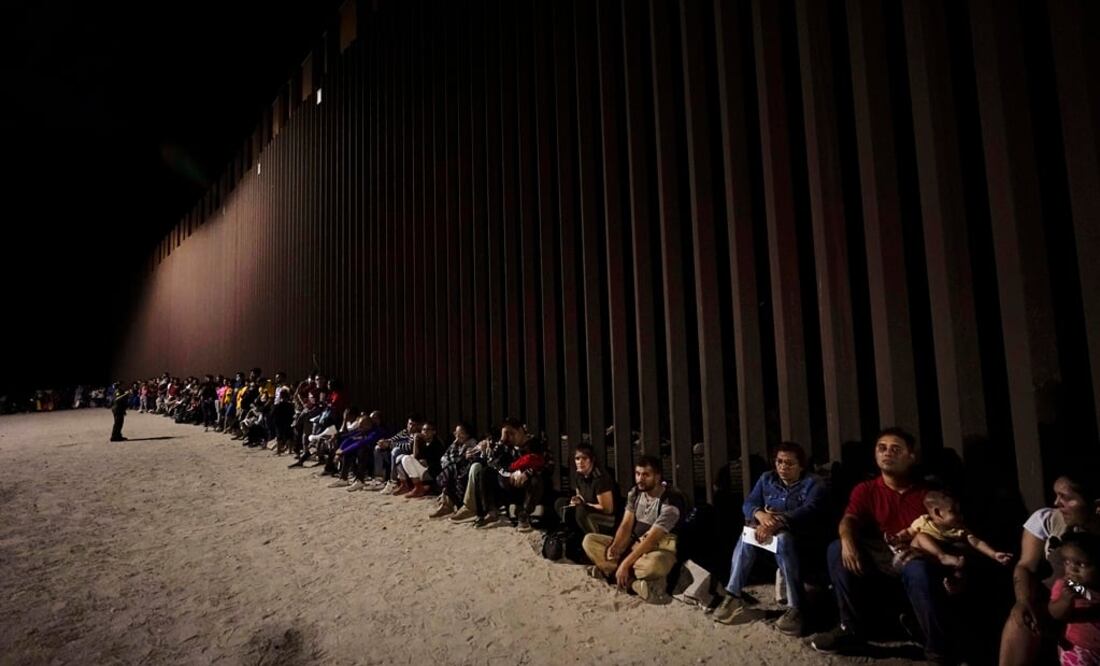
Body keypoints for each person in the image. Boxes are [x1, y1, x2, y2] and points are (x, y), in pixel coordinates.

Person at [811, 428, 951, 662]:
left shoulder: (927, 494)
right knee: (836, 548)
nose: (887, 453)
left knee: (917, 567)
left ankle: (936, 646)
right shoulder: (866, 489)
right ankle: (850, 628)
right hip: (880, 552)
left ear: (911, 456)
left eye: (896, 449)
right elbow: (849, 519)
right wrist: (847, 541)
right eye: (882, 448)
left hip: (914, 553)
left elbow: (952, 531)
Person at [713, 441, 825, 636]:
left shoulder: (813, 483)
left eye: (789, 463)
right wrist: (761, 516)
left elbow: (809, 510)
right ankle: (733, 594)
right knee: (746, 535)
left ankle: (796, 607)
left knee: (784, 539)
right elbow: (749, 503)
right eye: (779, 462)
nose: (783, 467)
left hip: (800, 538)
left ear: (801, 466)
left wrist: (778, 521)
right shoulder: (767, 479)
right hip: (768, 533)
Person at [1001, 472, 1100, 665]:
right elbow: (1025, 566)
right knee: (1021, 619)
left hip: (1089, 608)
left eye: (1067, 498)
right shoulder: (1049, 519)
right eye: (1057, 495)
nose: (1057, 503)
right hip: (1052, 603)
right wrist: (1023, 600)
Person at [581, 455, 684, 604]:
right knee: (589, 541)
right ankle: (633, 583)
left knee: (653, 565)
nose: (640, 479)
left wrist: (625, 563)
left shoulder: (670, 501)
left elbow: (651, 539)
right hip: (632, 545)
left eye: (646, 475)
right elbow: (626, 524)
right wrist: (615, 546)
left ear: (657, 477)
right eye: (638, 474)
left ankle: (612, 572)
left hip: (658, 549)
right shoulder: (635, 493)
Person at [890, 489, 1013, 593]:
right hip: (922, 553)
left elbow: (977, 542)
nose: (960, 516)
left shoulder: (959, 530)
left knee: (961, 564)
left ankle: (954, 585)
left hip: (941, 563)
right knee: (920, 536)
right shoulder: (924, 521)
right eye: (954, 512)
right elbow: (908, 532)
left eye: (960, 511)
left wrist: (994, 554)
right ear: (938, 513)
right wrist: (897, 537)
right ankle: (942, 557)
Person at [1048, 531, 1100, 666]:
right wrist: (1065, 600)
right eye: (1067, 562)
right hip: (1077, 648)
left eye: (1081, 564)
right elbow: (1055, 613)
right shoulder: (1066, 585)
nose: (1072, 569)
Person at [554, 443, 616, 535]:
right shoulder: (579, 475)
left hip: (605, 518)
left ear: (592, 460)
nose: (580, 462)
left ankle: (591, 538)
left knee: (580, 511)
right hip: (586, 508)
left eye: (585, 458)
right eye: (577, 458)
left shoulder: (600, 479)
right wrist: (576, 500)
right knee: (560, 503)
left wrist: (584, 504)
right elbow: (580, 495)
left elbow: (607, 509)